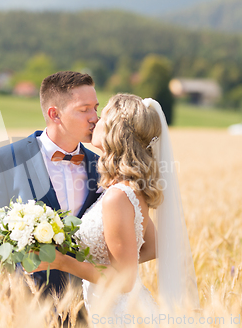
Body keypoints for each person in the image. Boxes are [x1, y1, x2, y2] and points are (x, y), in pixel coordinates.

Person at [0, 73, 156, 297]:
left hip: (88, 308)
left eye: (96, 108)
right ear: (55, 114)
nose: (94, 118)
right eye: (84, 109)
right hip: (25, 304)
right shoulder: (6, 160)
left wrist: (90, 263)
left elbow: (143, 244)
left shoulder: (105, 169)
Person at [31, 94, 200, 325]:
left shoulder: (118, 196)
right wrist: (113, 265)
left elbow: (125, 280)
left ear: (115, 131)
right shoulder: (129, 189)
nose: (95, 120)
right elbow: (152, 247)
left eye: (102, 117)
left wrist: (62, 262)